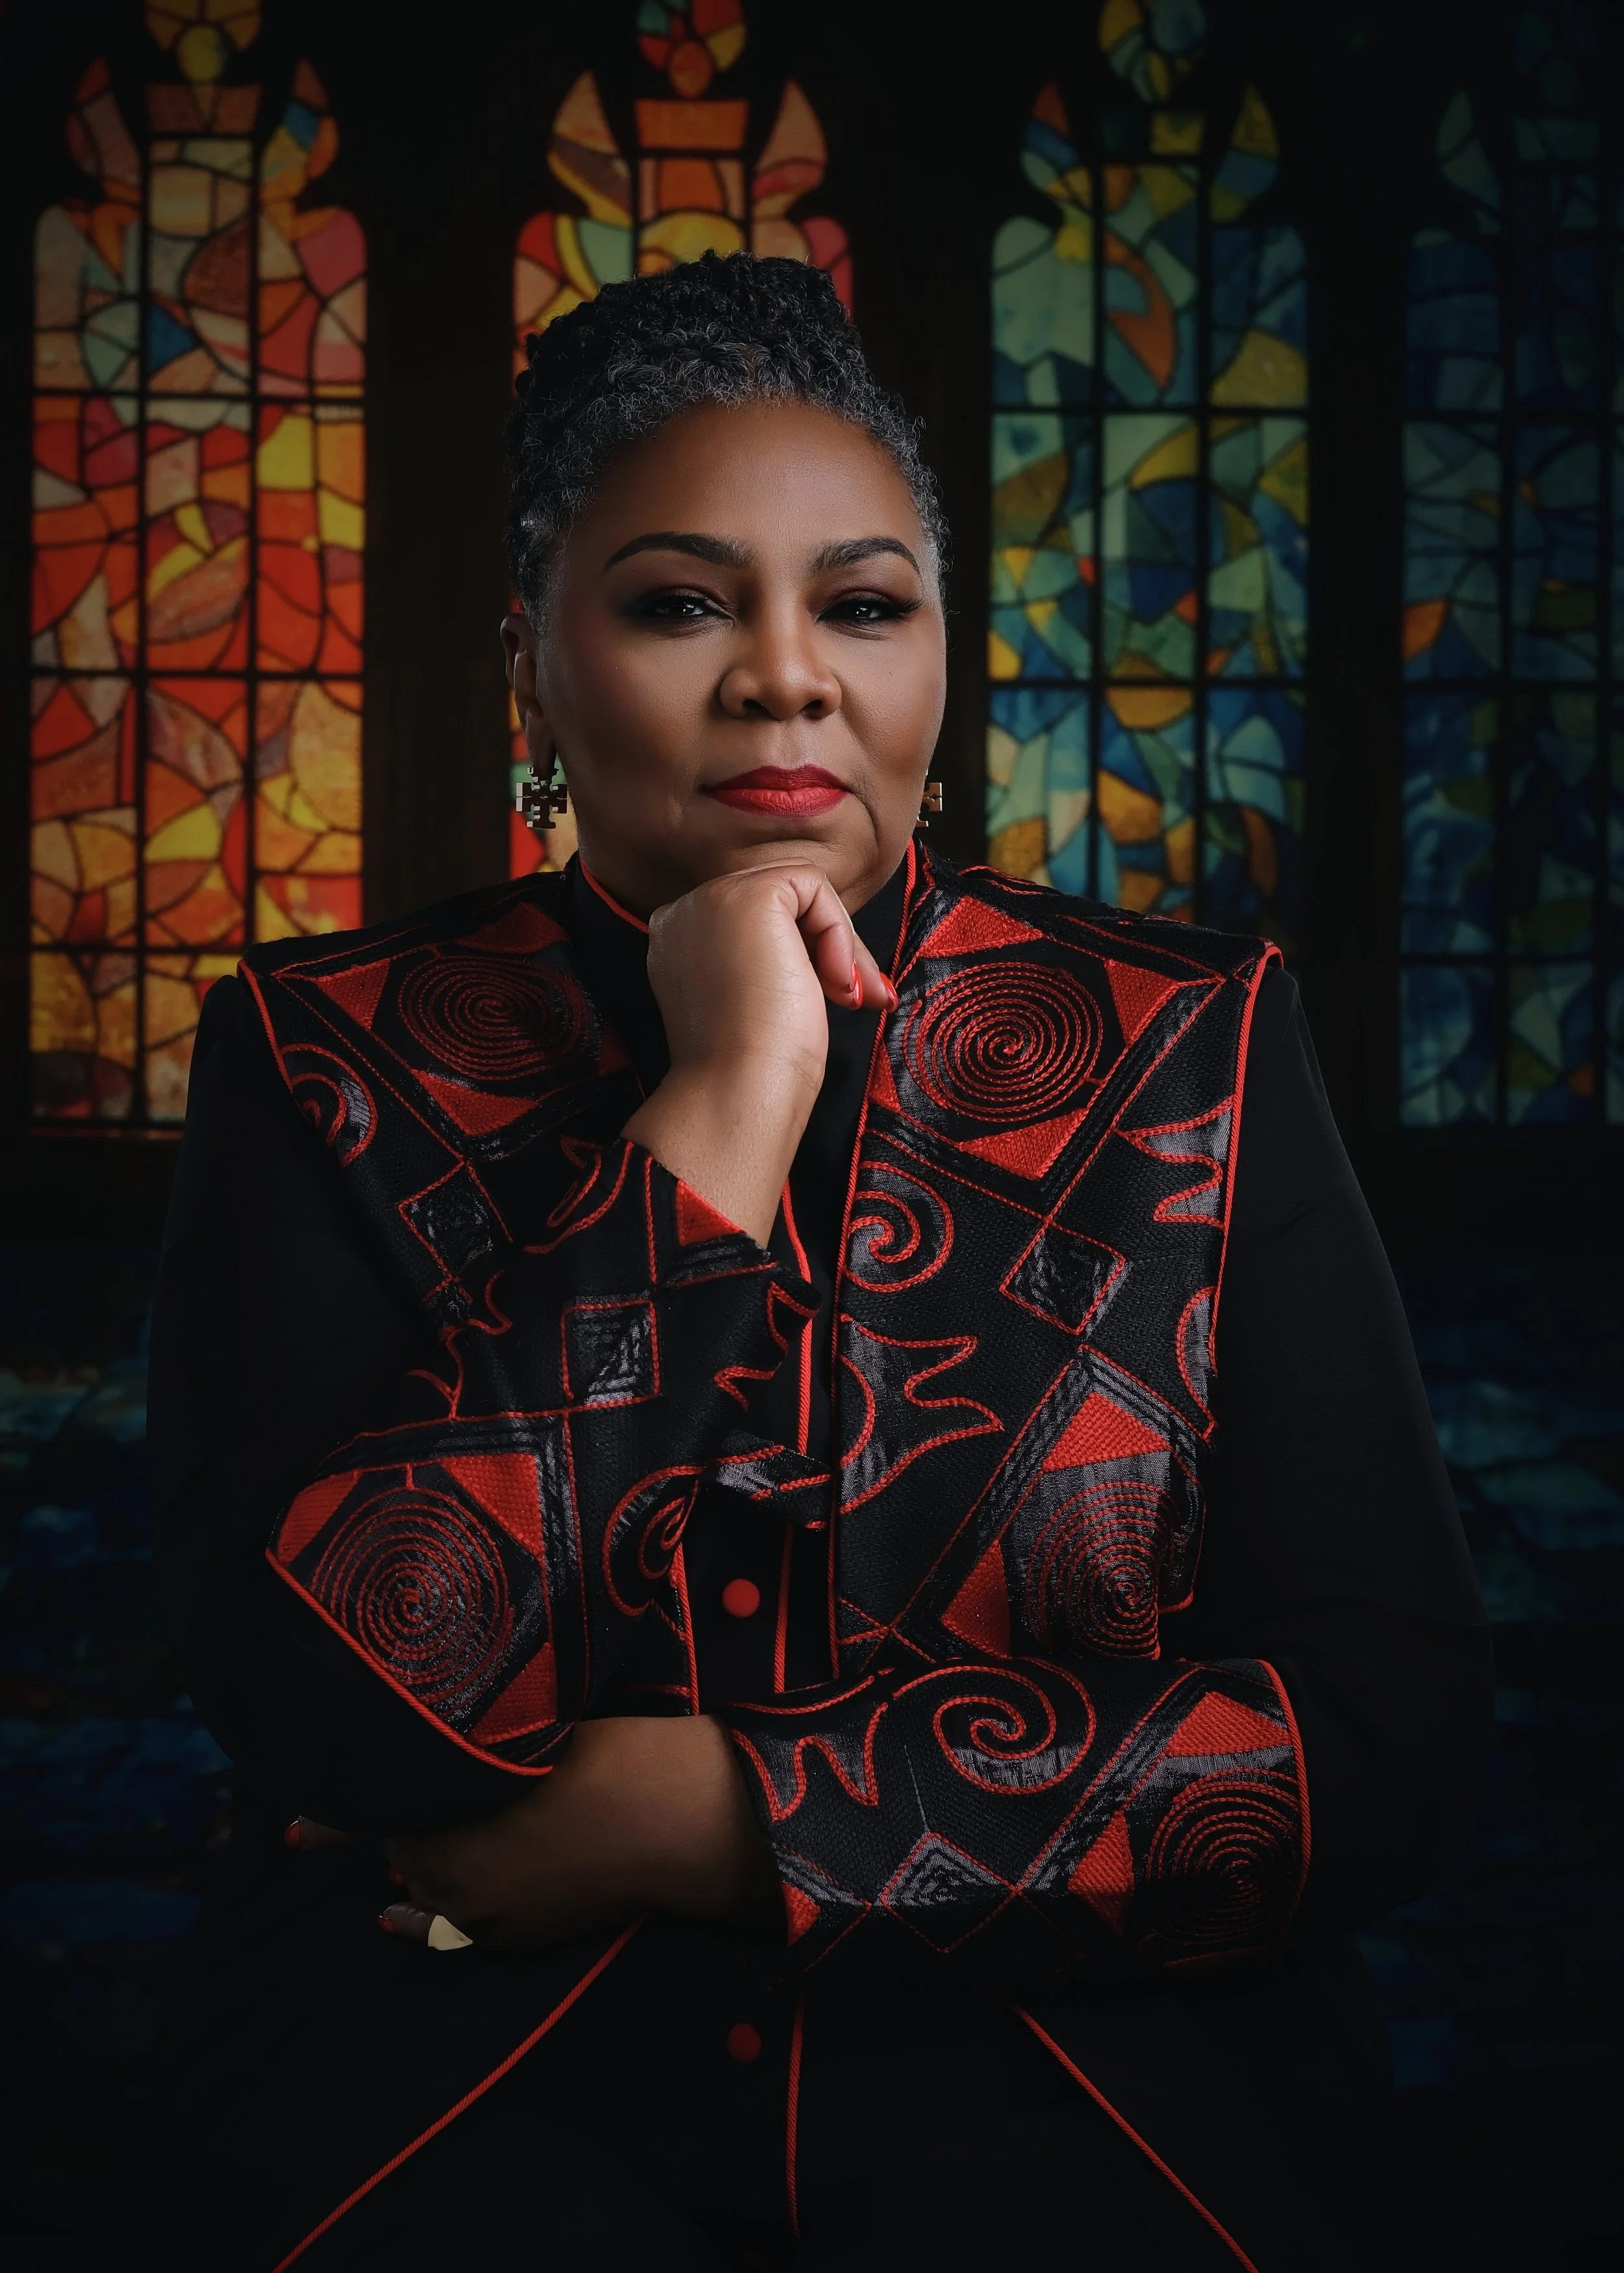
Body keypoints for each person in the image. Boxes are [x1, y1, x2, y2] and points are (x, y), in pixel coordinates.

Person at [147, 253, 1490, 2272]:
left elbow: (1378, 1743)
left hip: (1104, 2096)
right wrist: (717, 1108)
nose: (785, 674)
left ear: (939, 665)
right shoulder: (323, 1051)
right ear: (533, 660)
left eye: (861, 605)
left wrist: (721, 1821)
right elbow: (337, 1721)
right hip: (447, 2097)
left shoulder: (1189, 1044)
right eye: (680, 603)